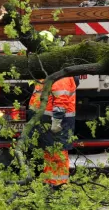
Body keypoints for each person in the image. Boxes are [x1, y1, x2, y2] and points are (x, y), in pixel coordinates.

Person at [28, 32, 77, 187]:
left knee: (58, 151)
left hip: (58, 121)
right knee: (49, 151)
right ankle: (51, 181)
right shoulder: (47, 72)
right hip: (47, 120)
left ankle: (60, 183)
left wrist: (56, 120)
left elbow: (61, 100)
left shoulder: (59, 74)